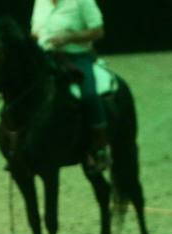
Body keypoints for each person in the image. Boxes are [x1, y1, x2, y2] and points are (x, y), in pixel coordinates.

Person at [30, 0, 109, 168]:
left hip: (77, 57)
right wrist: (40, 38)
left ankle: (100, 146)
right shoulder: (40, 2)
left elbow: (98, 31)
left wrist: (70, 37)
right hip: (46, 57)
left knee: (89, 94)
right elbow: (35, 31)